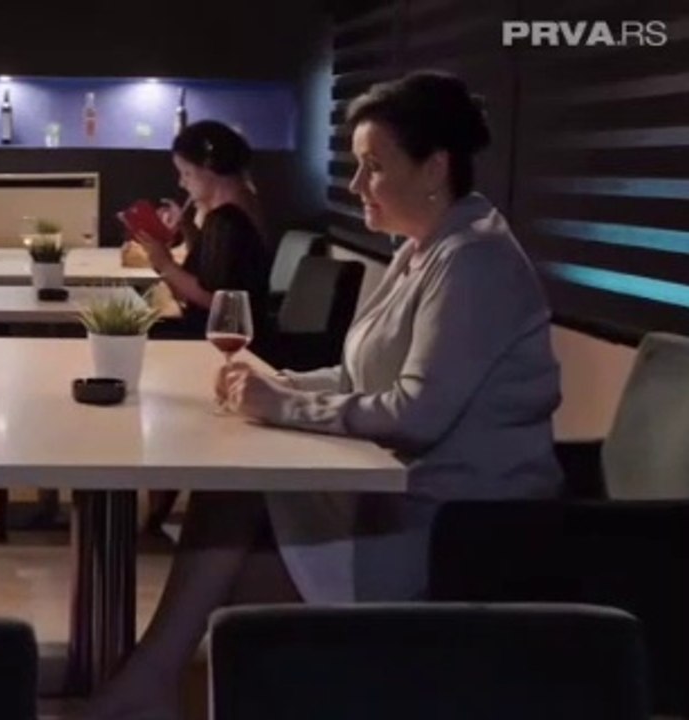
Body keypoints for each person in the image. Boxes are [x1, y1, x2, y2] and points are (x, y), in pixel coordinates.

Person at [82, 71, 563, 720]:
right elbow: (359, 373)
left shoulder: (474, 260)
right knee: (232, 499)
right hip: (394, 497)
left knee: (229, 575)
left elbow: (417, 414)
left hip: (459, 531)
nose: (356, 184)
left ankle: (146, 682)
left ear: (434, 168)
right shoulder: (423, 248)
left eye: (373, 167)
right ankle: (148, 683)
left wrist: (282, 404)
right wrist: (283, 383)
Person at [126, 120, 273, 342]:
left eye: (186, 173)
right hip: (234, 333)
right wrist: (187, 227)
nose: (182, 183)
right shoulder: (245, 205)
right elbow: (218, 271)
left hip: (217, 338)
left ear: (208, 166)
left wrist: (165, 263)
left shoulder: (226, 220)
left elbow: (216, 298)